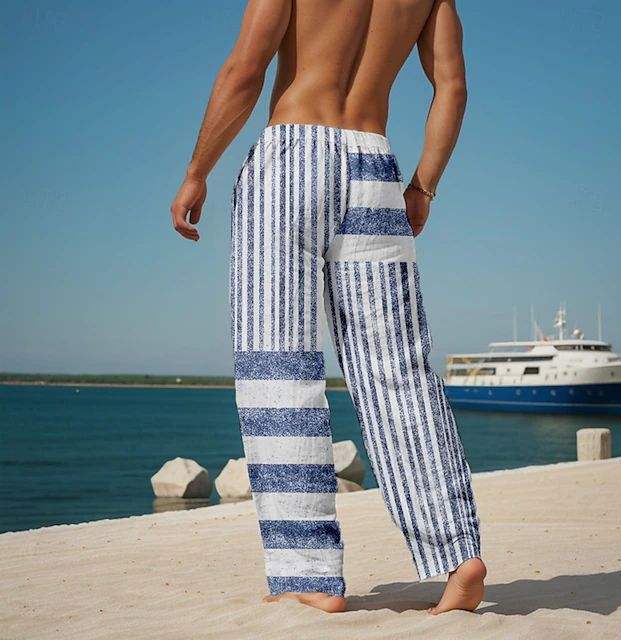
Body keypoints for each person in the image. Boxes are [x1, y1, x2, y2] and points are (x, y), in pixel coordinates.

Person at [170, 0, 486, 616]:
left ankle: (308, 571)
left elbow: (245, 69)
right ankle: (458, 553)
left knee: (279, 369)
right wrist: (423, 184)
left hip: (290, 158)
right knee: (399, 372)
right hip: (375, 167)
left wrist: (197, 171)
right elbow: (453, 87)